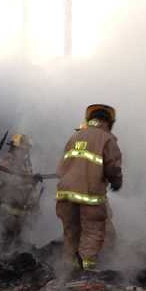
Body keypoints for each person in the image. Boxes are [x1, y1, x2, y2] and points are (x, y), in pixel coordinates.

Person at [55, 104, 123, 271]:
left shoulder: (74, 137)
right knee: (92, 232)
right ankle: (86, 273)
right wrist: (116, 181)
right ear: (109, 122)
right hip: (89, 195)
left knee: (71, 233)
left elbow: (60, 169)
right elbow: (113, 167)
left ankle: (68, 270)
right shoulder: (107, 139)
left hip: (65, 194)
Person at [0, 133, 39, 250]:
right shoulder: (3, 164)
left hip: (21, 215)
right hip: (5, 212)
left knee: (17, 246)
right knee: (3, 242)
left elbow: (31, 191)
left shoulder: (26, 167)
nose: (26, 154)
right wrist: (30, 180)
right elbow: (9, 183)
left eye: (27, 151)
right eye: (23, 150)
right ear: (14, 149)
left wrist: (36, 206)